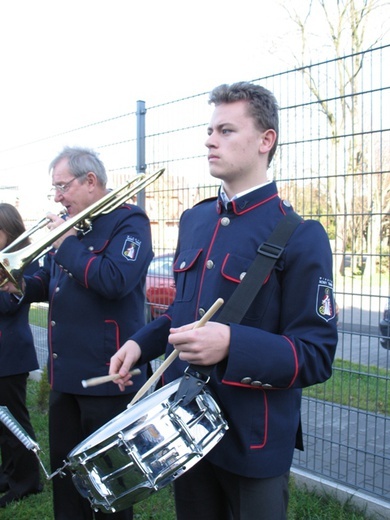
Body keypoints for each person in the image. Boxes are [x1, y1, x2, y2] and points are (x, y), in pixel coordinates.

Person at [109, 82, 338, 520]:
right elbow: (182, 312)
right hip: (186, 428)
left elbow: (315, 355)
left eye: (227, 130)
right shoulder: (194, 220)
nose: (210, 139)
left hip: (254, 442)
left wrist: (232, 343)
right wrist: (141, 343)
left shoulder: (301, 236)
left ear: (265, 141)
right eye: (210, 130)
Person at [0, 147, 153, 519]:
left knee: (110, 482)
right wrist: (15, 283)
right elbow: (47, 282)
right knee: (67, 476)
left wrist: (66, 244)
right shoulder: (72, 228)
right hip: (65, 374)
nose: (57, 197)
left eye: (61, 187)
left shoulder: (128, 221)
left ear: (90, 181)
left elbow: (114, 280)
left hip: (109, 374)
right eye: (54, 189)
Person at [0, 203, 43, 508]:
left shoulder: (21, 261)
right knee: (2, 423)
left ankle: (28, 481)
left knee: (15, 421)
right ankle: (9, 473)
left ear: (10, 231)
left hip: (11, 353)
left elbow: (9, 304)